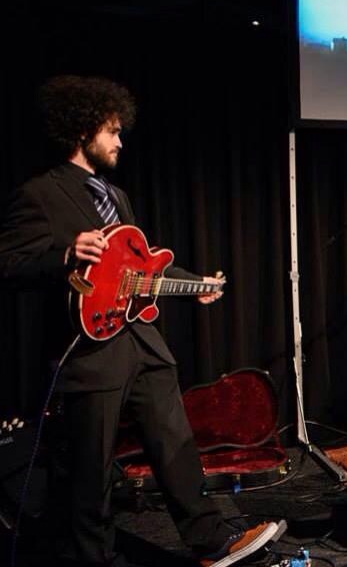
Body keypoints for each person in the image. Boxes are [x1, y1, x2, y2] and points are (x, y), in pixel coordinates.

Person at [0, 76, 282, 567]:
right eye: (112, 131)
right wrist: (65, 254)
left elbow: (142, 267)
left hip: (141, 343)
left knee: (175, 445)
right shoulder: (40, 194)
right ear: (83, 129)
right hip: (89, 353)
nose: (120, 142)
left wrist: (194, 284)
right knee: (89, 474)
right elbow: (9, 263)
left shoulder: (117, 196)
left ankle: (211, 543)